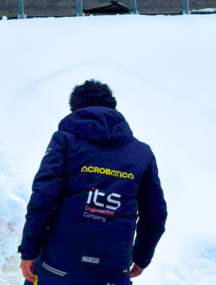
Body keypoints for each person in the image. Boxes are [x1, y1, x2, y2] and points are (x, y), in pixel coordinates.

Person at [19, 79, 167, 285]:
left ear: (75, 109)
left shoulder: (65, 140)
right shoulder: (142, 153)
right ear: (112, 107)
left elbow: (44, 196)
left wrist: (29, 250)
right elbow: (155, 213)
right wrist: (142, 257)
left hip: (59, 261)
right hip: (113, 265)